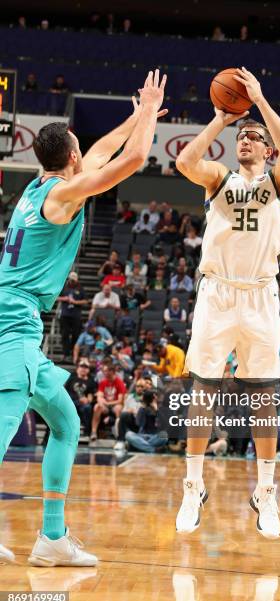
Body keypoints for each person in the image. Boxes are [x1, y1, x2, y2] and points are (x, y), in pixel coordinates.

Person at [0, 68, 166, 565]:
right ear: (70, 157)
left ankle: (52, 538)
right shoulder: (61, 198)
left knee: (68, 423)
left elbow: (95, 156)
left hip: (16, 317)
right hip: (13, 322)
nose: (85, 153)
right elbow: (133, 158)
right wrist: (149, 117)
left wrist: (136, 116)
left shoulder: (38, 188)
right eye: (79, 148)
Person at [175, 67, 280, 538]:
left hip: (261, 294)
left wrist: (261, 102)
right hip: (218, 292)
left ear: (265, 150)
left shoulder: (279, 183)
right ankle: (192, 485)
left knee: (264, 397)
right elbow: (186, 161)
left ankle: (265, 492)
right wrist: (221, 120)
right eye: (241, 136)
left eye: (253, 137)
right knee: (203, 390)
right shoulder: (219, 179)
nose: (244, 141)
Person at [57, 271, 87, 362]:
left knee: (76, 334)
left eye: (74, 280)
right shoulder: (64, 287)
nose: (72, 282)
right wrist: (64, 299)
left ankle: (73, 353)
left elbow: (85, 301)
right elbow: (56, 297)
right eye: (71, 280)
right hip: (65, 315)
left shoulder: (80, 288)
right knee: (64, 334)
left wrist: (75, 302)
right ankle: (65, 354)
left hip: (76, 315)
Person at [91, 364, 126, 442]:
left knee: (118, 408)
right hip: (106, 405)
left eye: (106, 371)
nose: (104, 373)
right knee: (97, 407)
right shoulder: (103, 382)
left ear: (112, 372)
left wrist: (107, 403)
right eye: (104, 371)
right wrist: (101, 402)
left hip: (115, 404)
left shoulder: (119, 382)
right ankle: (93, 432)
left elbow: (120, 401)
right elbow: (99, 396)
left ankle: (119, 433)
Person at [65, 360, 96, 437]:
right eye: (82, 366)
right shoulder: (72, 377)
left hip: (83, 403)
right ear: (78, 368)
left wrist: (88, 399)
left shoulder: (91, 380)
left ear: (88, 370)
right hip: (71, 401)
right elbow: (65, 391)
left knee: (88, 407)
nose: (83, 369)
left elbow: (91, 393)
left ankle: (87, 431)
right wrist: (78, 399)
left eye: (86, 367)